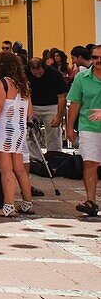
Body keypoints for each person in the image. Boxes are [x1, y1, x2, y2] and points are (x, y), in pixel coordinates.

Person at [0, 52, 34, 217]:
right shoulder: (23, 84)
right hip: (20, 129)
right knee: (20, 169)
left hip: (5, 129)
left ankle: (8, 206)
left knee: (6, 170)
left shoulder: (2, 83)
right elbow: (30, 112)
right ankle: (27, 203)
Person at [67, 45, 101, 217]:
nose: (98, 61)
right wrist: (69, 127)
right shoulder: (82, 77)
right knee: (89, 163)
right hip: (88, 126)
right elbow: (75, 103)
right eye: (95, 57)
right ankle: (91, 201)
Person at [26, 57, 67, 158]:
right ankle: (36, 158)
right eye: (34, 74)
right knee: (30, 133)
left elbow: (62, 97)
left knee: (53, 133)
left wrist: (59, 116)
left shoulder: (55, 74)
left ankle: (54, 157)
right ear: (30, 69)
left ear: (44, 68)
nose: (37, 76)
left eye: (40, 73)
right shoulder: (24, 73)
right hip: (32, 105)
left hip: (52, 105)